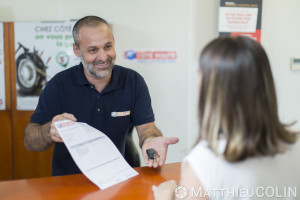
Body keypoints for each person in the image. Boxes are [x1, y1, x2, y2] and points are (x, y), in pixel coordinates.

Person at [24, 16, 179, 176]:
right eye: (93, 50)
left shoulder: (133, 81)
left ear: (113, 41)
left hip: (119, 178)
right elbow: (30, 140)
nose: (103, 57)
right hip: (69, 182)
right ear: (77, 51)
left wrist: (150, 139)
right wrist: (48, 131)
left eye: (107, 47)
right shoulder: (58, 85)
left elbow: (147, 127)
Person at [153, 36, 300, 199]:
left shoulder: (207, 161)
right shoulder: (294, 144)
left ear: (208, 88)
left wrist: (165, 196)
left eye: (200, 75)